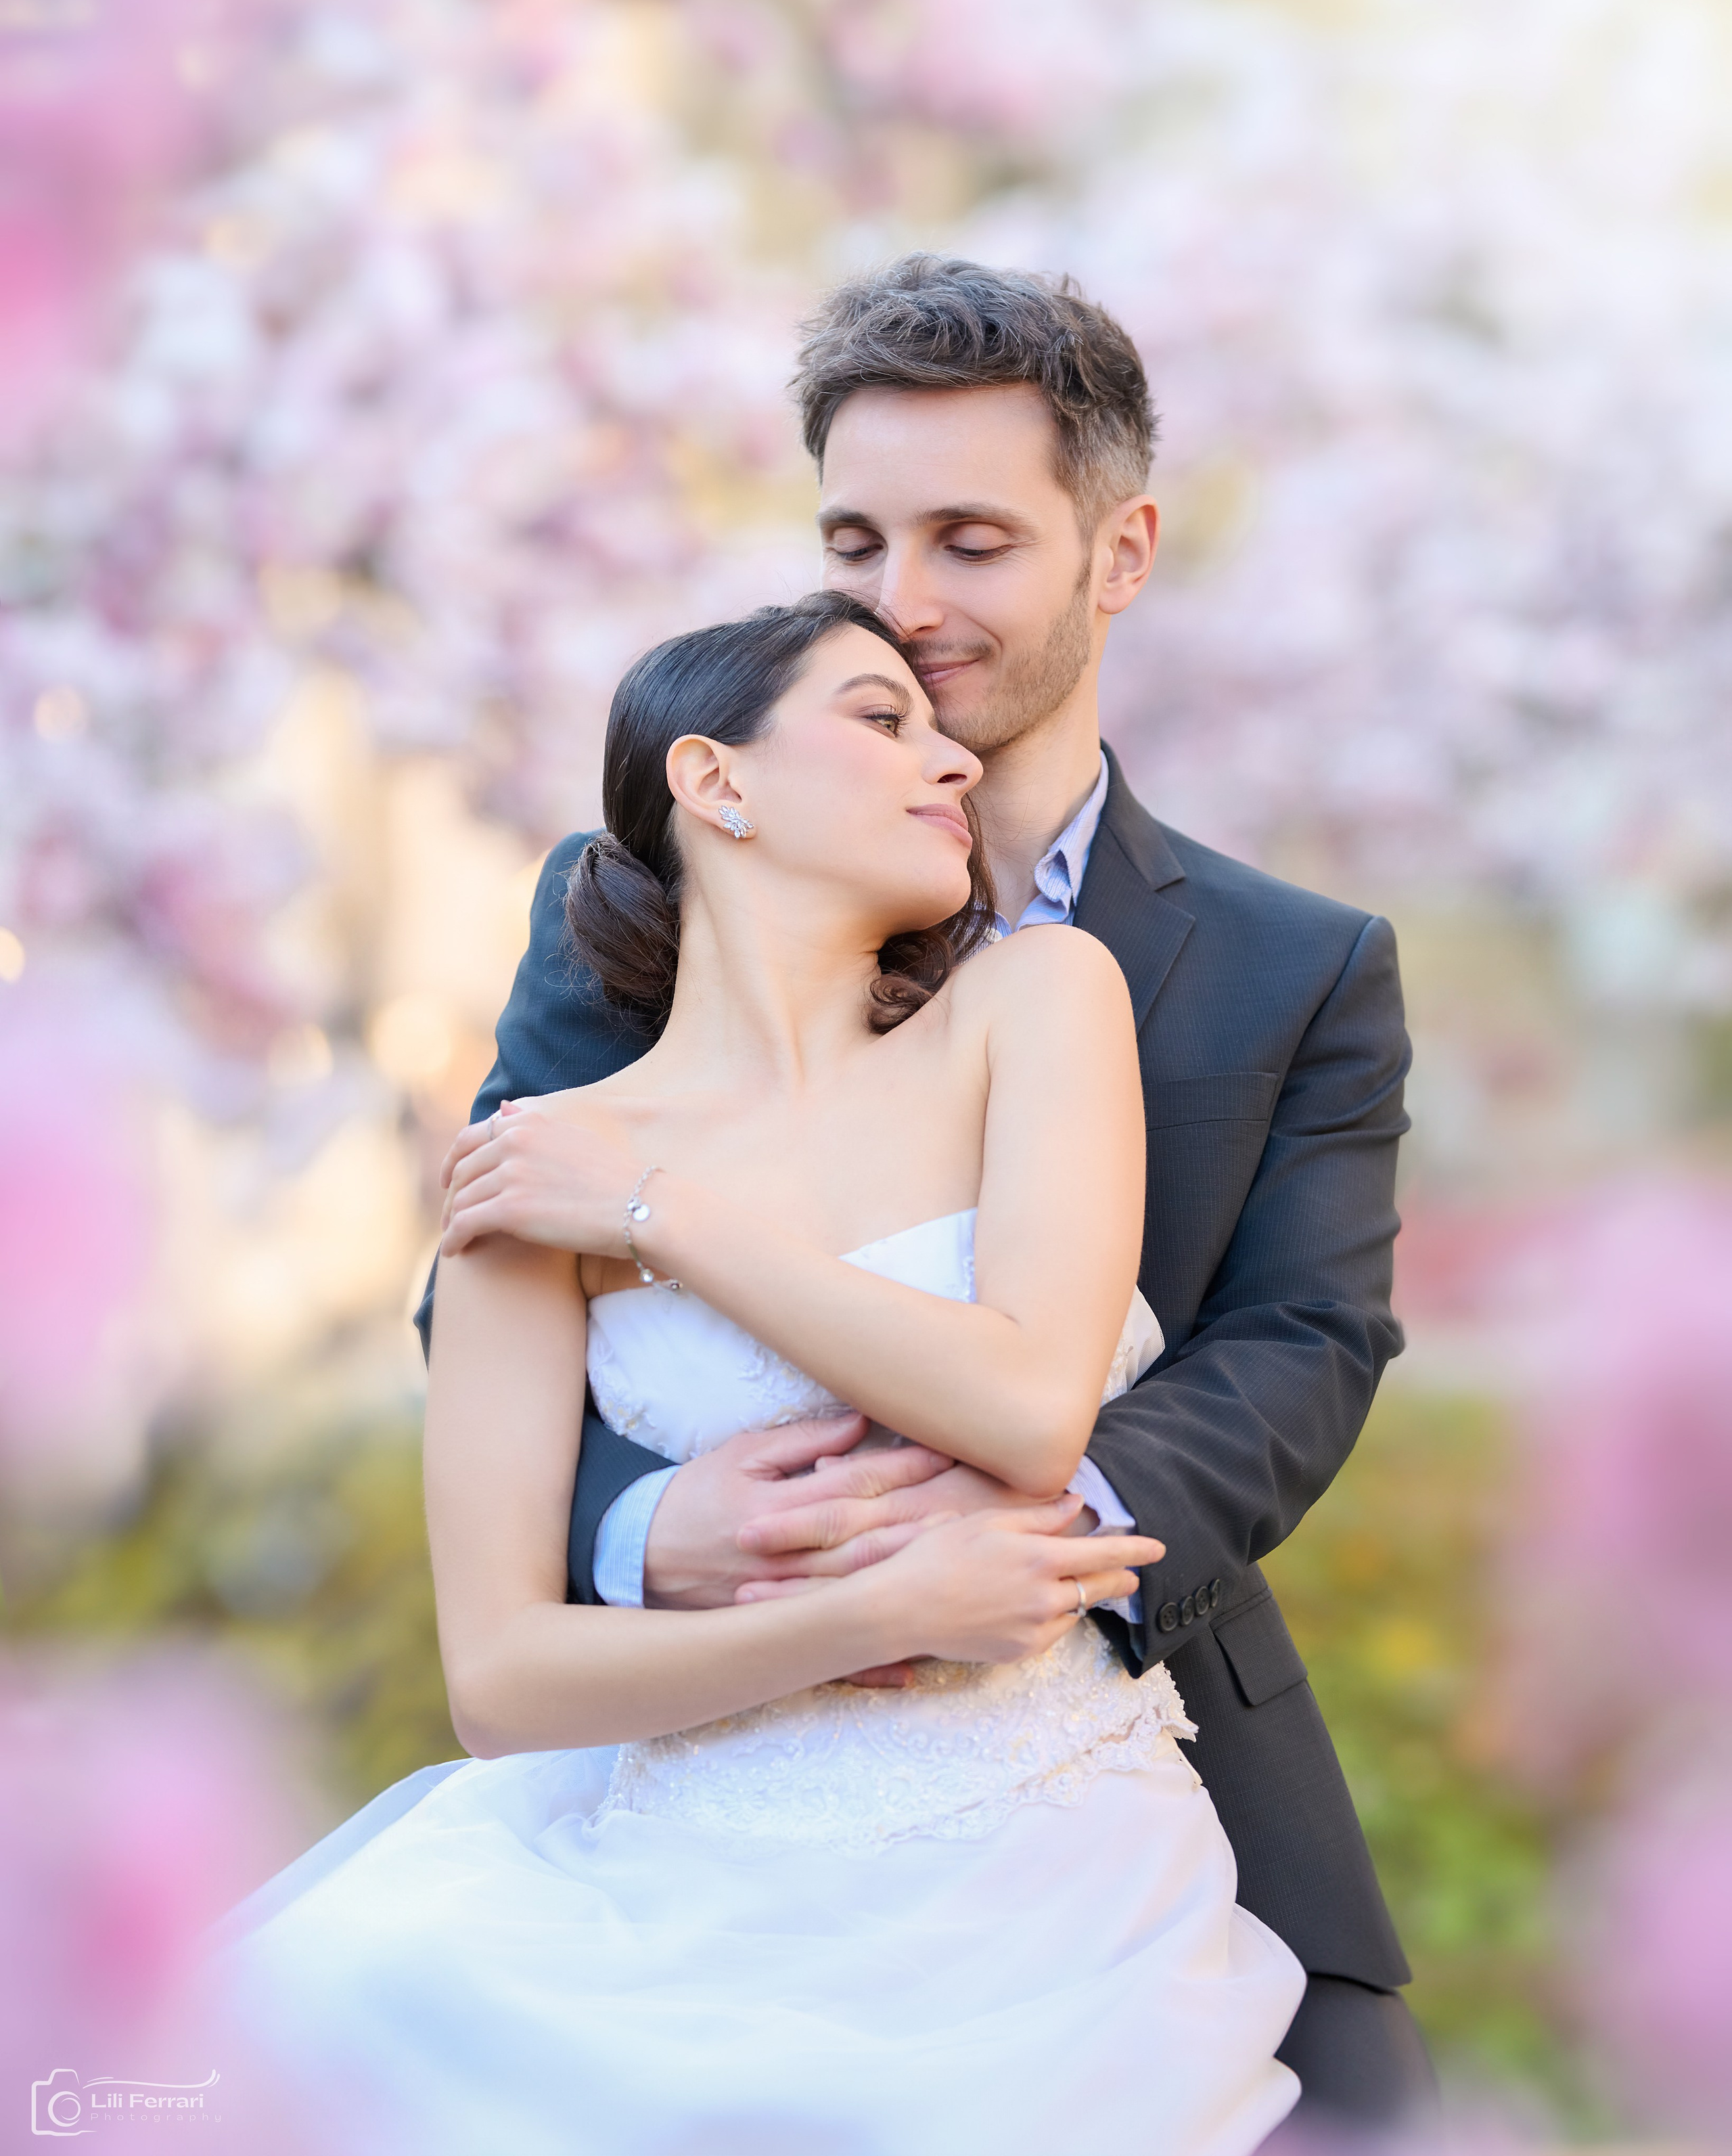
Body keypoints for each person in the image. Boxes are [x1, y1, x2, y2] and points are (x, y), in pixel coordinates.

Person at [430, 255, 1434, 2124]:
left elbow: (1306, 1339)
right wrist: (643, 1532)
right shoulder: (632, 899)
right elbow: (507, 1259)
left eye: (970, 541)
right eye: (855, 540)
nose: (904, 598)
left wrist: (1021, 1540)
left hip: (1122, 1739)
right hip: (698, 1769)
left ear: (1119, 554)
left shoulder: (1293, 966)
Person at [224, 589, 1307, 2155]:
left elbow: (1025, 1405)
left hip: (1044, 1906)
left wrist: (660, 1216)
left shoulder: (1032, 1001)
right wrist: (871, 1614)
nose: (952, 761)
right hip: (663, 1908)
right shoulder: (534, 1172)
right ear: (714, 780)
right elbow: (500, 1680)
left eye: (939, 731)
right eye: (881, 719)